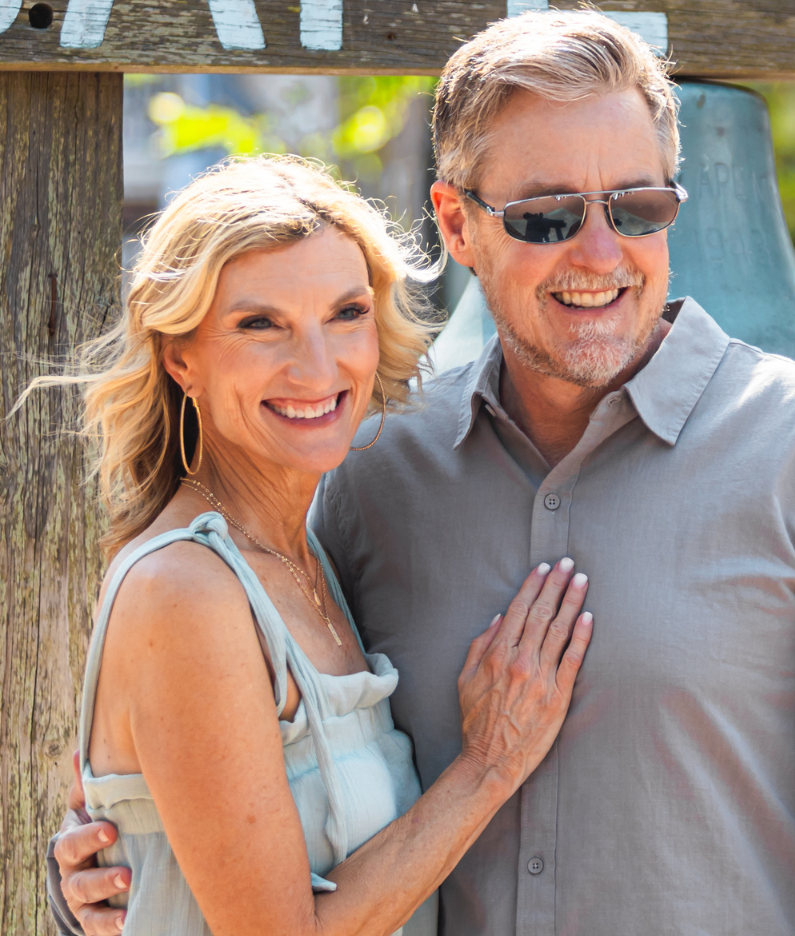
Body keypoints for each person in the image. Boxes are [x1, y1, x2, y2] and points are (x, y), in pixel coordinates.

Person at [54, 11, 795, 935]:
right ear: (457, 225)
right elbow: (241, 783)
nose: (599, 255)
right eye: (546, 216)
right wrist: (116, 868)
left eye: (637, 209)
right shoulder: (369, 470)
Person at [46, 155, 594, 936]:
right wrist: (491, 764)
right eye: (259, 324)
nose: (317, 366)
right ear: (180, 358)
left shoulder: (306, 552)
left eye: (345, 313)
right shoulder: (189, 589)